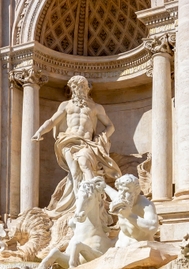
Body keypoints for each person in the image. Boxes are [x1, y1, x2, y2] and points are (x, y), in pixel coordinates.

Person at [33, 75, 122, 214]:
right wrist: (40, 131)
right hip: (68, 140)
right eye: (74, 87)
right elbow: (51, 121)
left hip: (87, 143)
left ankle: (92, 201)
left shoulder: (96, 107)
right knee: (75, 172)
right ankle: (77, 208)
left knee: (85, 166)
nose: (77, 89)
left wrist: (101, 137)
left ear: (87, 88)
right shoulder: (66, 105)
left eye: (81, 86)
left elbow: (110, 126)